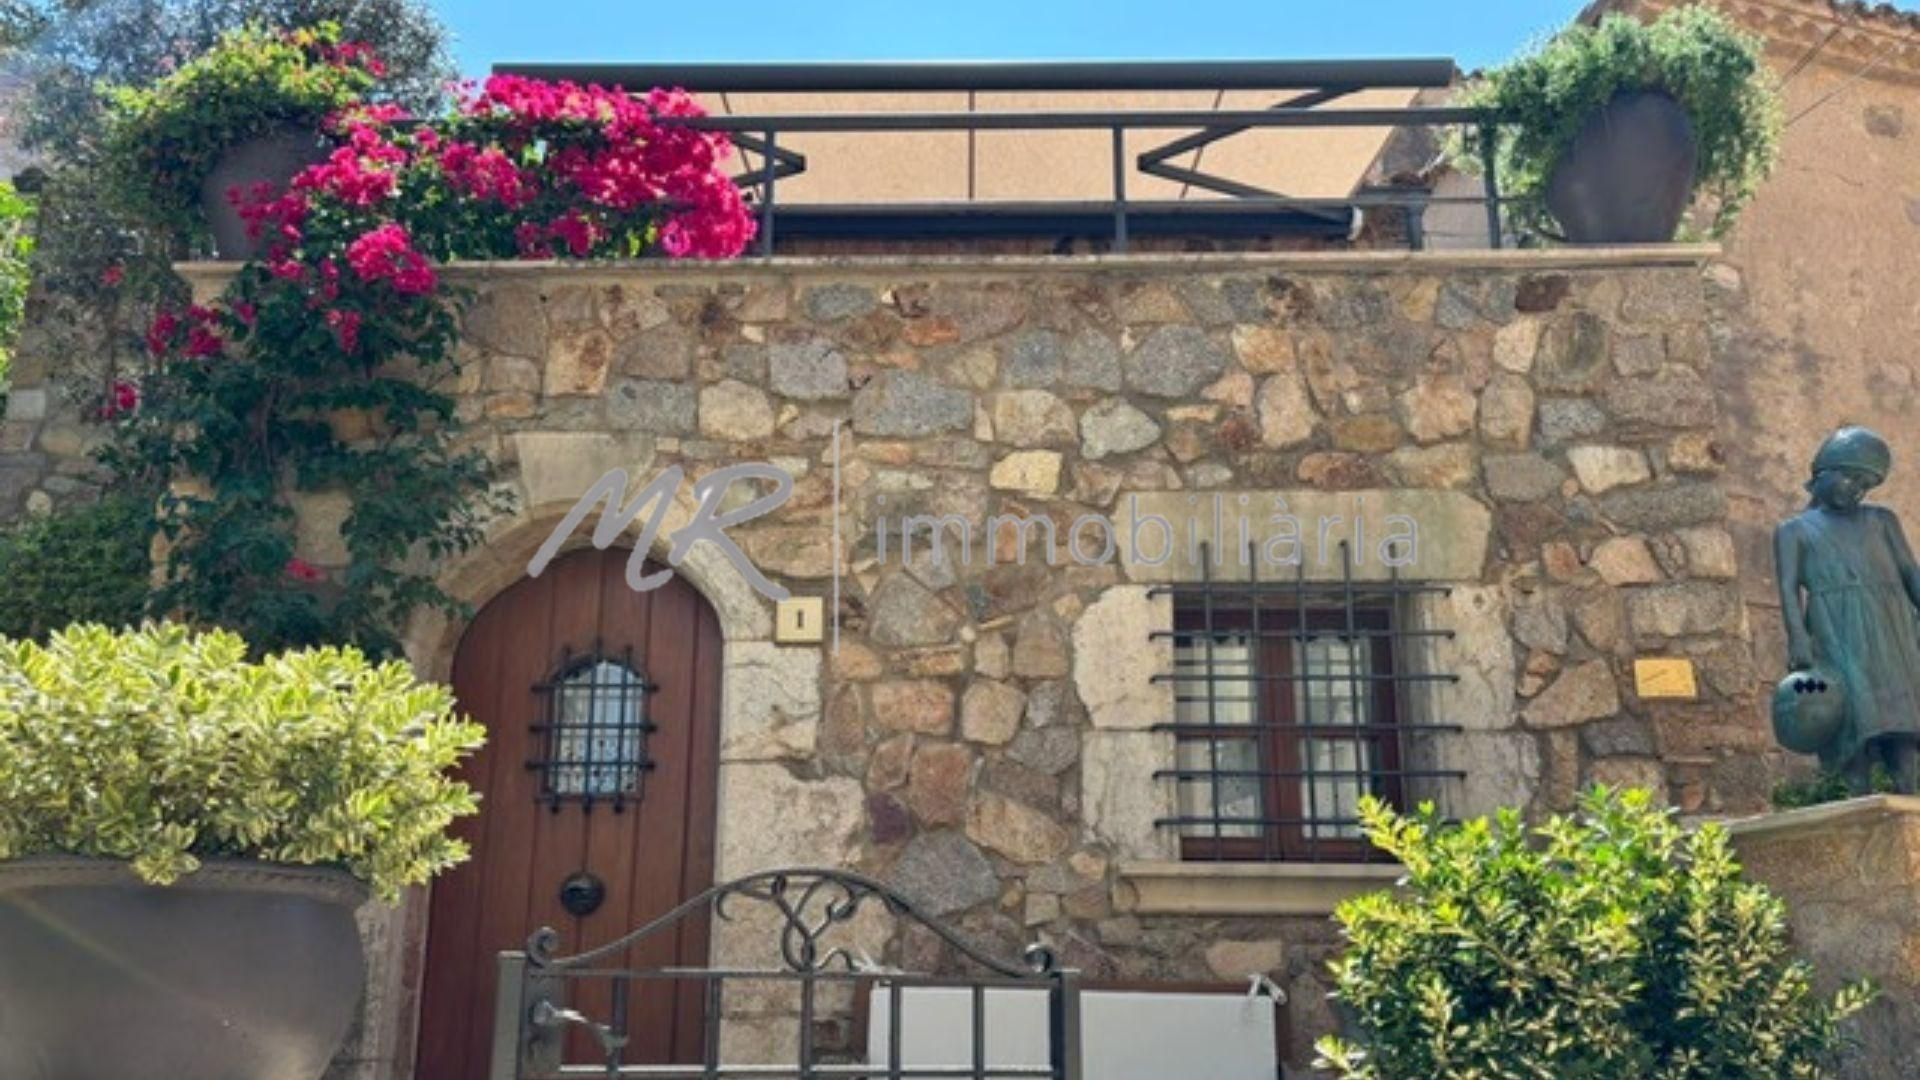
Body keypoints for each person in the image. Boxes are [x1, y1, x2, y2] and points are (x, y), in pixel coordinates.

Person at [1773, 426, 1920, 792]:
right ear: (1822, 473)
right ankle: (1859, 794)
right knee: (1853, 715)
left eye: (1865, 485)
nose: (1857, 490)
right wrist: (1798, 639)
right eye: (1850, 478)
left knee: (1901, 713)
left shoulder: (1882, 520)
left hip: (1892, 626)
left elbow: (1909, 572)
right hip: (1834, 628)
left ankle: (1908, 790)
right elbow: (1789, 588)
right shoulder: (1793, 530)